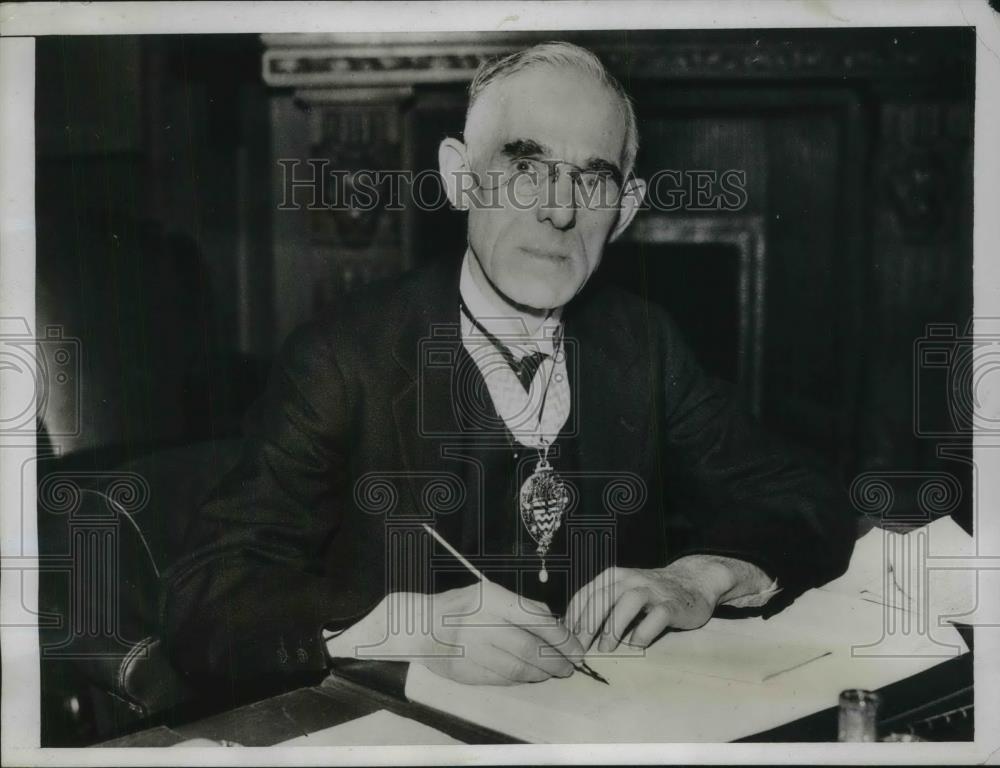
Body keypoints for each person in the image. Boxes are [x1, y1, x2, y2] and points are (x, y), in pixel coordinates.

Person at [161, 42, 855, 697]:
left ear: (624, 212)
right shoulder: (344, 360)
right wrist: (416, 626)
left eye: (593, 181)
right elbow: (206, 595)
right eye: (526, 169)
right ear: (459, 177)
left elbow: (807, 497)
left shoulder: (642, 346)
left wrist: (699, 578)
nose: (559, 210)